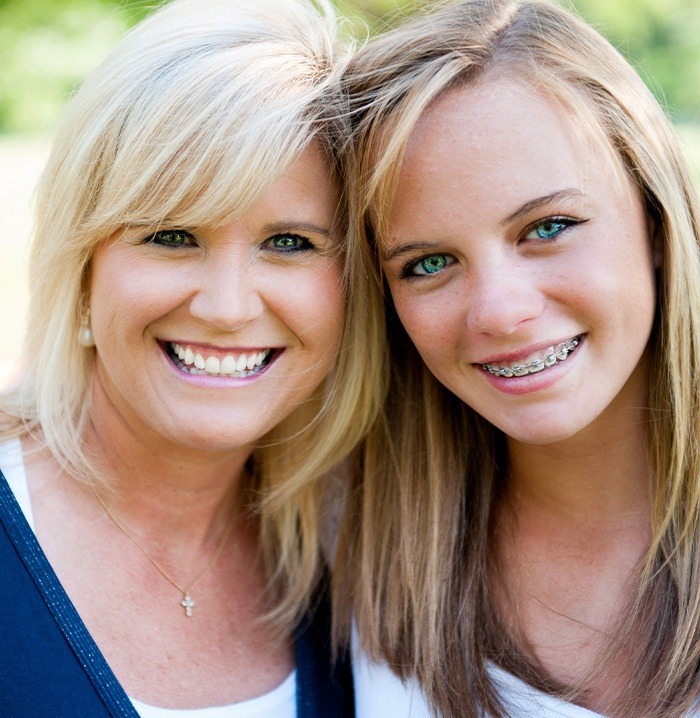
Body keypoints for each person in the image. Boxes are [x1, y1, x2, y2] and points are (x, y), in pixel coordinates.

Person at [0, 0, 384, 714]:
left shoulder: (361, 556)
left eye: (290, 243)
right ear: (82, 269)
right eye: (173, 235)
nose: (229, 307)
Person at [334, 0, 700, 716]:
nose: (500, 311)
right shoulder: (339, 538)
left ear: (655, 217)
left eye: (548, 227)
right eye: (428, 262)